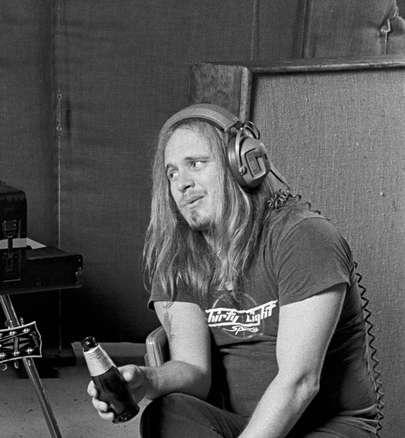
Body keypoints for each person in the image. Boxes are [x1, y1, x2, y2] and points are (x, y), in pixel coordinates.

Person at [87, 103, 381, 437]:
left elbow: (299, 382)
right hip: (242, 426)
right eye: (172, 173)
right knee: (165, 414)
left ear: (241, 164)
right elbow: (194, 371)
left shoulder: (303, 238)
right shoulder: (179, 257)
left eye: (196, 164)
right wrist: (147, 381)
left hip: (325, 427)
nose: (182, 183)